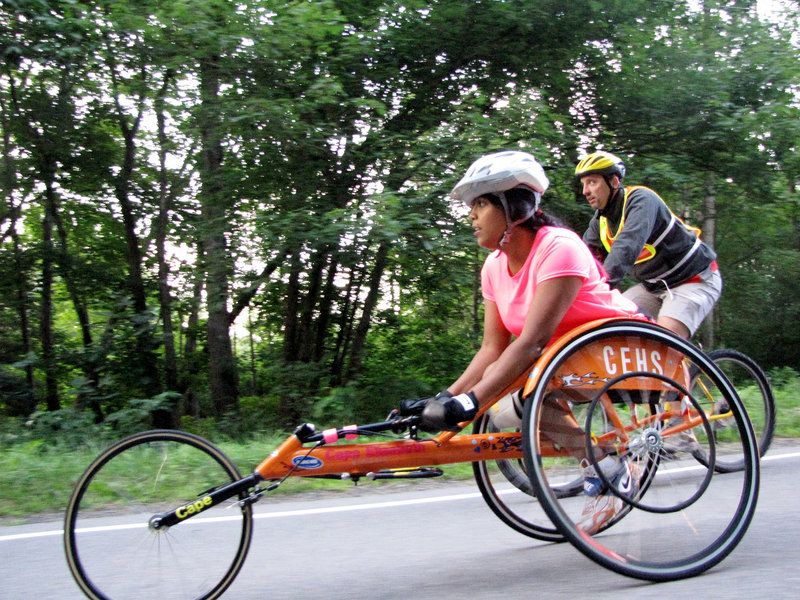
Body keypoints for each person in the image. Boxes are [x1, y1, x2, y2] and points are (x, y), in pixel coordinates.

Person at [398, 150, 647, 532]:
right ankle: (606, 463)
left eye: (480, 204)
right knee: (503, 411)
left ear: (512, 206)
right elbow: (492, 349)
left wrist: (470, 402)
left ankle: (608, 468)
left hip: (616, 350)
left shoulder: (558, 247)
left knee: (517, 399)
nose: (471, 216)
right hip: (563, 361)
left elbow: (531, 342)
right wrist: (446, 398)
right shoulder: (493, 267)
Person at [575, 150, 722, 340]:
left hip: (693, 280)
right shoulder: (600, 222)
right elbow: (585, 261)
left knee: (664, 345)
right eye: (584, 184)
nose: (585, 191)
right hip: (653, 286)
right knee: (610, 332)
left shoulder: (641, 200)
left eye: (592, 182)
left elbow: (626, 249)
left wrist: (596, 291)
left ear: (614, 181)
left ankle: (681, 364)